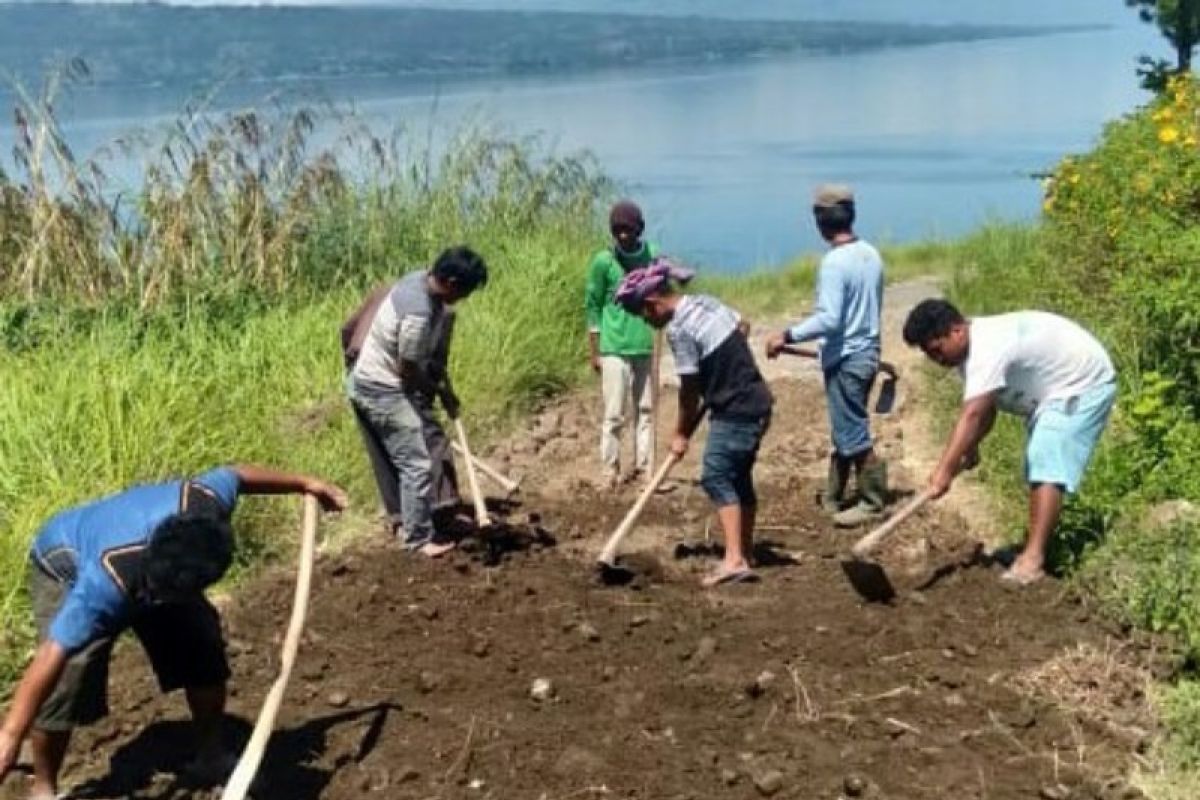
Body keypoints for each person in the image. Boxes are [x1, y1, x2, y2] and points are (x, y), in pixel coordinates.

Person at [0, 465, 347, 800]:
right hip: (65, 564)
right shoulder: (106, 581)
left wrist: (305, 482)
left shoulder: (204, 506)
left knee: (201, 641)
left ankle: (210, 756)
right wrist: (10, 735)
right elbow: (52, 654)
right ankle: (43, 789)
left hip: (161, 572)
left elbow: (237, 474)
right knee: (67, 682)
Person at [901, 299, 1117, 584]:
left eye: (937, 350)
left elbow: (974, 413)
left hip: (1082, 383)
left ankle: (1033, 560)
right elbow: (987, 408)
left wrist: (942, 472)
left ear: (956, 330)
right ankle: (1035, 549)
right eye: (930, 355)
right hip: (1055, 393)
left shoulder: (987, 346)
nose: (936, 360)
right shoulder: (968, 353)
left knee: (1045, 457)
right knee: (1039, 460)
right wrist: (970, 447)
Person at [615, 259, 773, 587]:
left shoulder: (679, 329)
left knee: (715, 474)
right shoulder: (705, 303)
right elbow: (743, 325)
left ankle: (734, 559)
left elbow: (689, 392)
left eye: (643, 315)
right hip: (757, 403)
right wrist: (724, 366)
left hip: (736, 409)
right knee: (738, 477)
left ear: (653, 303)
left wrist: (680, 433)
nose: (646, 322)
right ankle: (745, 550)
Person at [346, 246, 488, 558]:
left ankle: (417, 520)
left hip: (368, 379)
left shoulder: (417, 279)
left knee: (406, 456)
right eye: (463, 291)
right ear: (450, 281)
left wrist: (439, 385)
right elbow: (407, 370)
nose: (463, 299)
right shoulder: (418, 313)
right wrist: (440, 392)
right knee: (416, 462)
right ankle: (418, 537)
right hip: (381, 388)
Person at [765, 184, 887, 527]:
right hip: (867, 352)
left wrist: (786, 335)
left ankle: (873, 501)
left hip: (847, 359)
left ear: (821, 221)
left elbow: (830, 319)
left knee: (853, 432)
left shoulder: (834, 264)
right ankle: (833, 496)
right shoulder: (870, 254)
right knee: (846, 428)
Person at [342, 281, 462, 537]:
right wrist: (439, 393)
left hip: (360, 374)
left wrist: (354, 365)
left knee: (383, 450)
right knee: (430, 440)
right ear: (455, 288)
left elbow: (347, 330)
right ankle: (440, 512)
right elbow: (420, 367)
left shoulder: (392, 291)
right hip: (390, 379)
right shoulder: (433, 312)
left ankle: (400, 517)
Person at [585, 200, 660, 489]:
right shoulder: (603, 262)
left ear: (639, 229)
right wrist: (595, 350)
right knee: (614, 413)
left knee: (646, 410)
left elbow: (662, 291)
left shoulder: (652, 254)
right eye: (617, 230)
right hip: (614, 346)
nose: (623, 236)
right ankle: (610, 469)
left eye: (628, 230)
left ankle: (646, 469)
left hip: (644, 343)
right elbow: (592, 306)